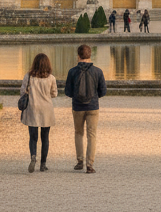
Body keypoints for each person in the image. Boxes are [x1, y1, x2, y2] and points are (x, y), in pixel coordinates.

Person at [64, 43, 107, 173]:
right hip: (93, 106)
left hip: (77, 106)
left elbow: (67, 91)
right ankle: (89, 164)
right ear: (90, 55)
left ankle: (79, 161)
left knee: (78, 133)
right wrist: (94, 97)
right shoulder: (98, 71)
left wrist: (76, 97)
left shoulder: (72, 71)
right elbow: (103, 91)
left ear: (78, 56)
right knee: (91, 135)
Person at [20, 52, 58, 173]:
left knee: (33, 137)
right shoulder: (51, 78)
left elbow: (22, 92)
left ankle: (33, 157)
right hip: (46, 109)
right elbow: (54, 94)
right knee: (45, 137)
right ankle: (43, 164)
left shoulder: (29, 76)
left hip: (33, 108)